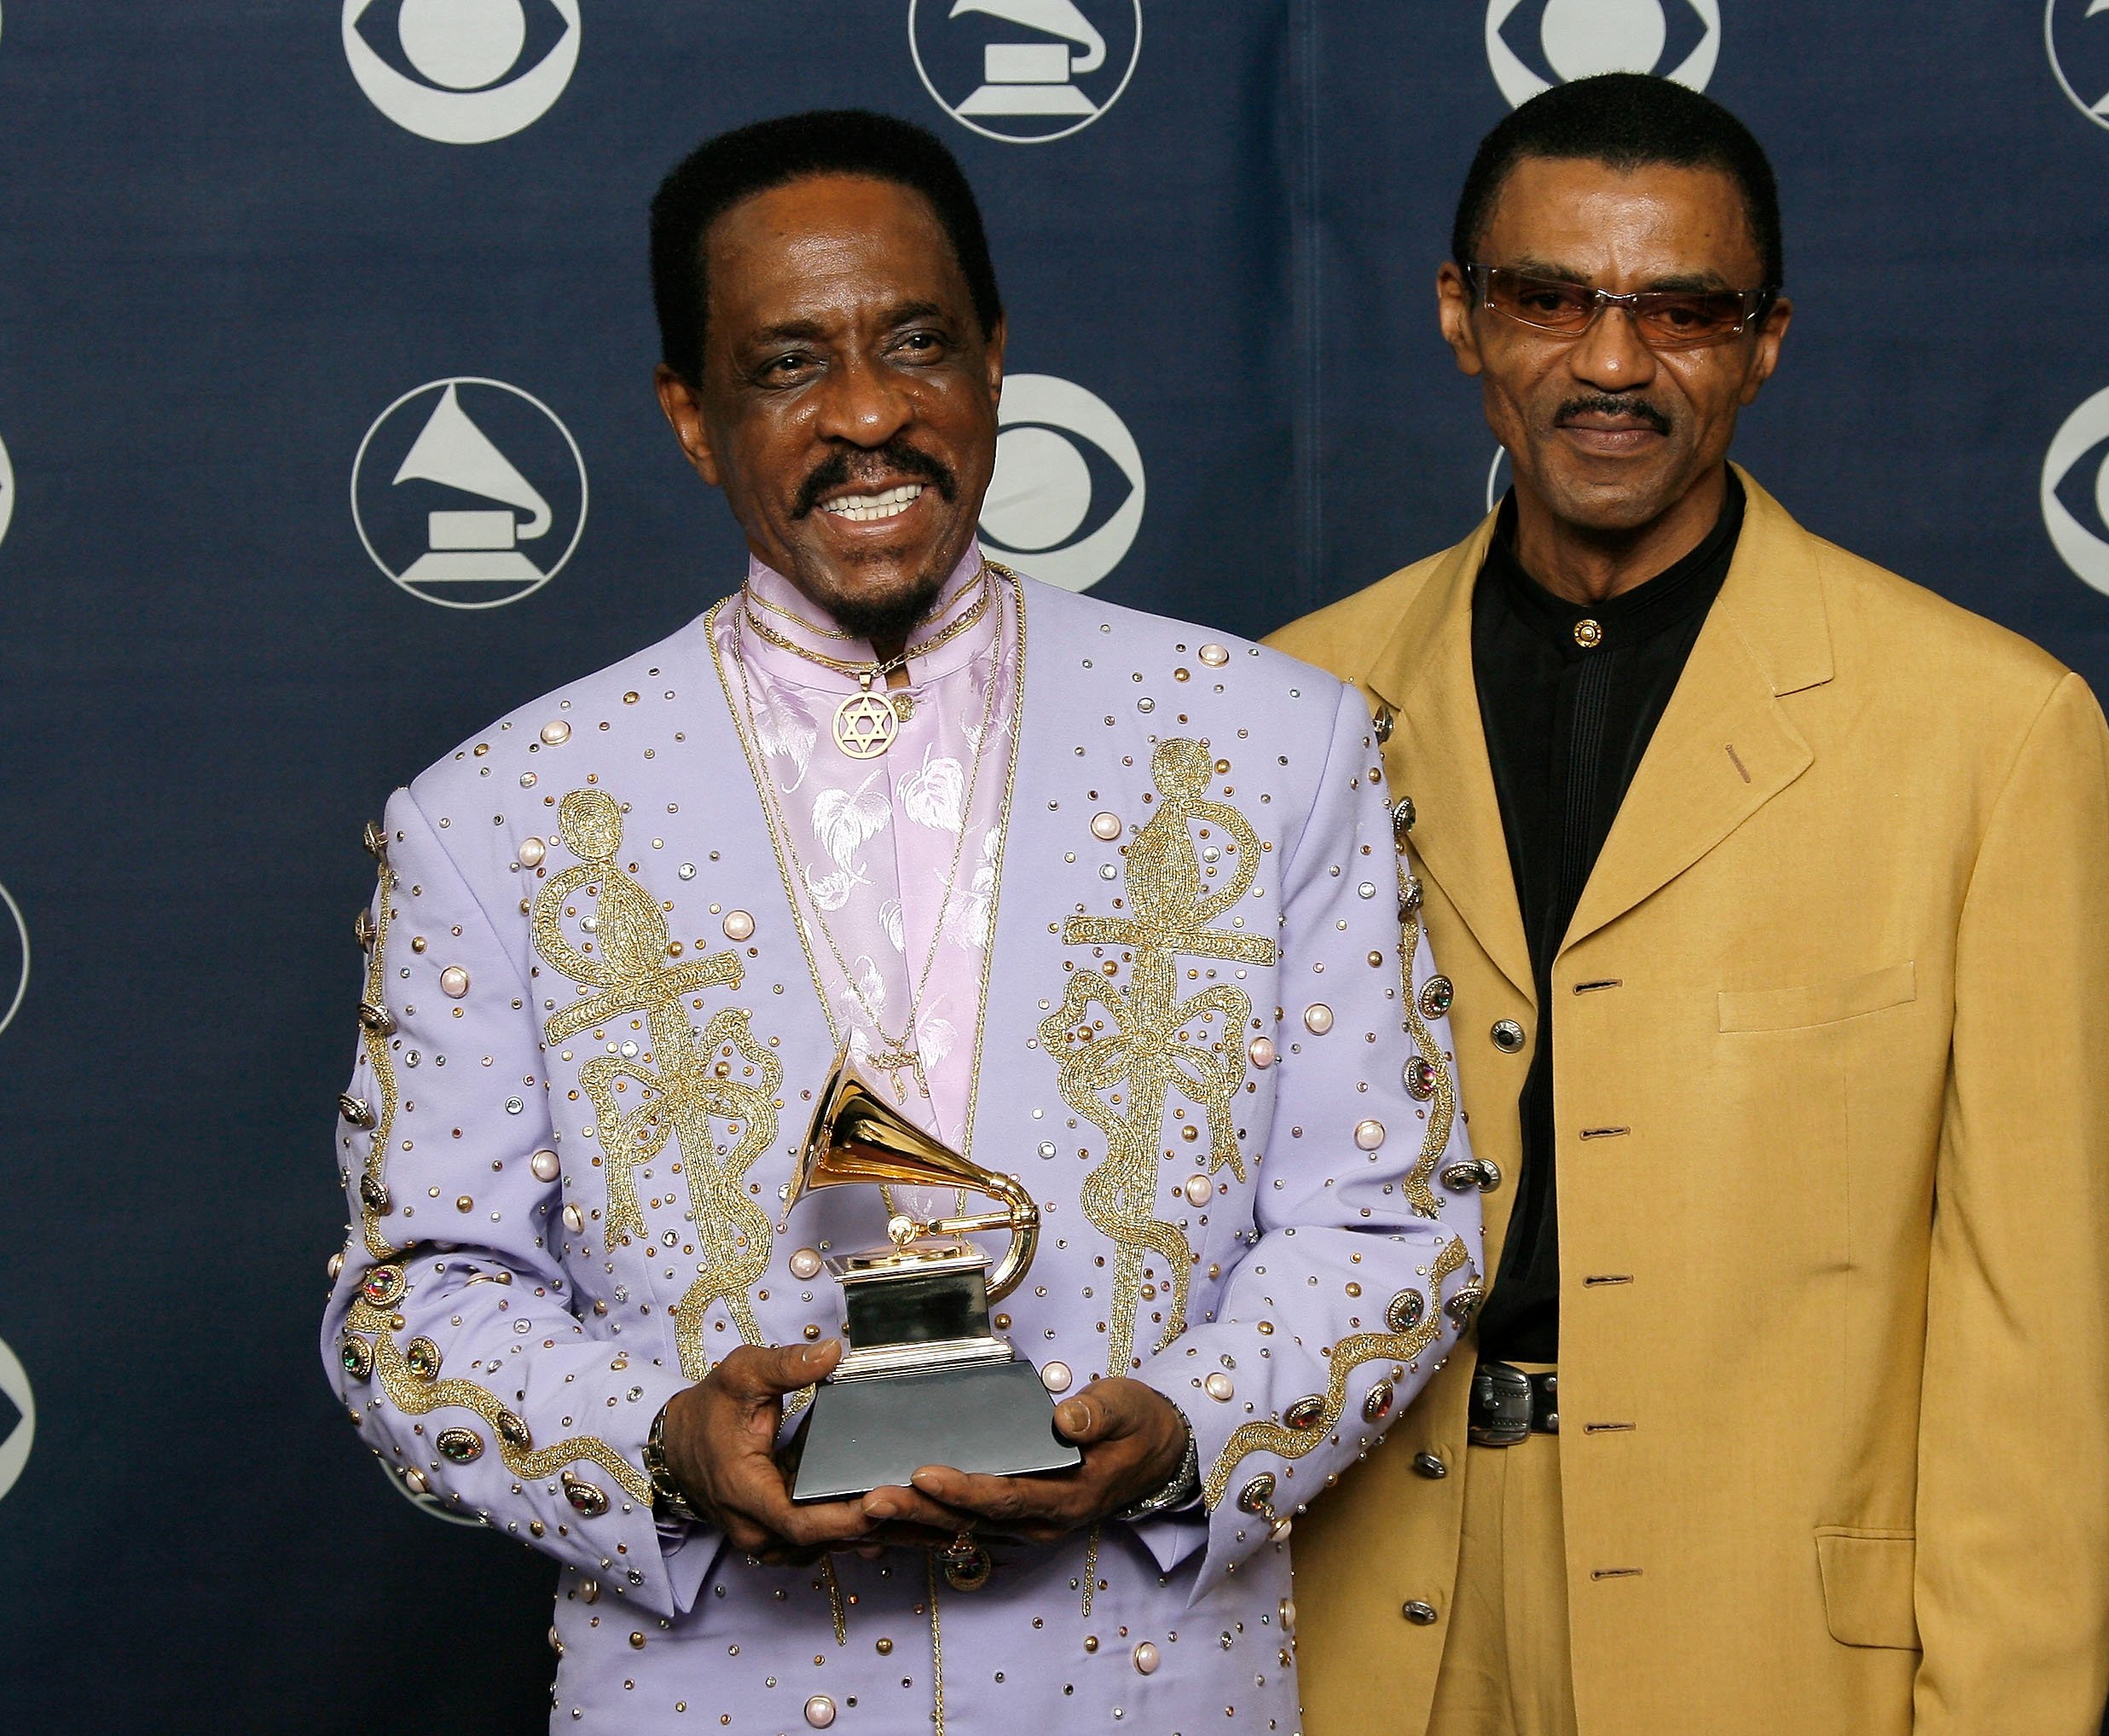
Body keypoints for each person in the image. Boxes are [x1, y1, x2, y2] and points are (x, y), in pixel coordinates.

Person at [320, 108, 1480, 1734]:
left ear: (996, 360)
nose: (870, 415)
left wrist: (1195, 1424)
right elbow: (415, 1301)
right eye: (790, 363)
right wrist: (661, 1441)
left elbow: (1391, 1220)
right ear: (689, 415)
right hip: (707, 1690)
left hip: (1152, 1689)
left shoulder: (1276, 745)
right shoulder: (497, 815)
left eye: (916, 342)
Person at [1270, 74, 2109, 1736]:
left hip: (1764, 1648)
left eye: (1683, 312)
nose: (1612, 365)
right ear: (1462, 317)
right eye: (1549, 299)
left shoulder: (1993, 733)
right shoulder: (1298, 700)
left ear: (1767, 341)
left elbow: (2037, 1348)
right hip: (1356, 1623)